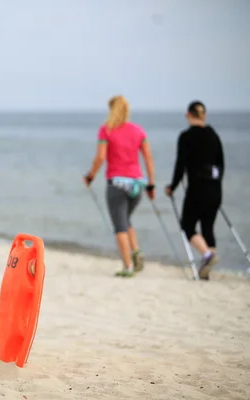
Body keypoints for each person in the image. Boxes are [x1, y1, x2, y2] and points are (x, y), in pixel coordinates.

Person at [83, 95, 156, 277]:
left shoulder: (106, 130)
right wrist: (151, 184)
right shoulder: (139, 131)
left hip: (117, 183)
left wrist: (90, 176)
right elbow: (148, 157)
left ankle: (128, 267)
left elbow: (100, 157)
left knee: (119, 225)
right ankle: (136, 251)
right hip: (137, 183)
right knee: (125, 218)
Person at [165, 101, 224, 280]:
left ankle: (207, 255)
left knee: (187, 226)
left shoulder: (186, 136)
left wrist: (172, 186)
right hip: (215, 189)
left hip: (197, 190)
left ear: (188, 115)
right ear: (203, 115)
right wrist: (216, 183)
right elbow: (221, 164)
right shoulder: (214, 135)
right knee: (208, 227)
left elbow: (180, 165)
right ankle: (206, 270)